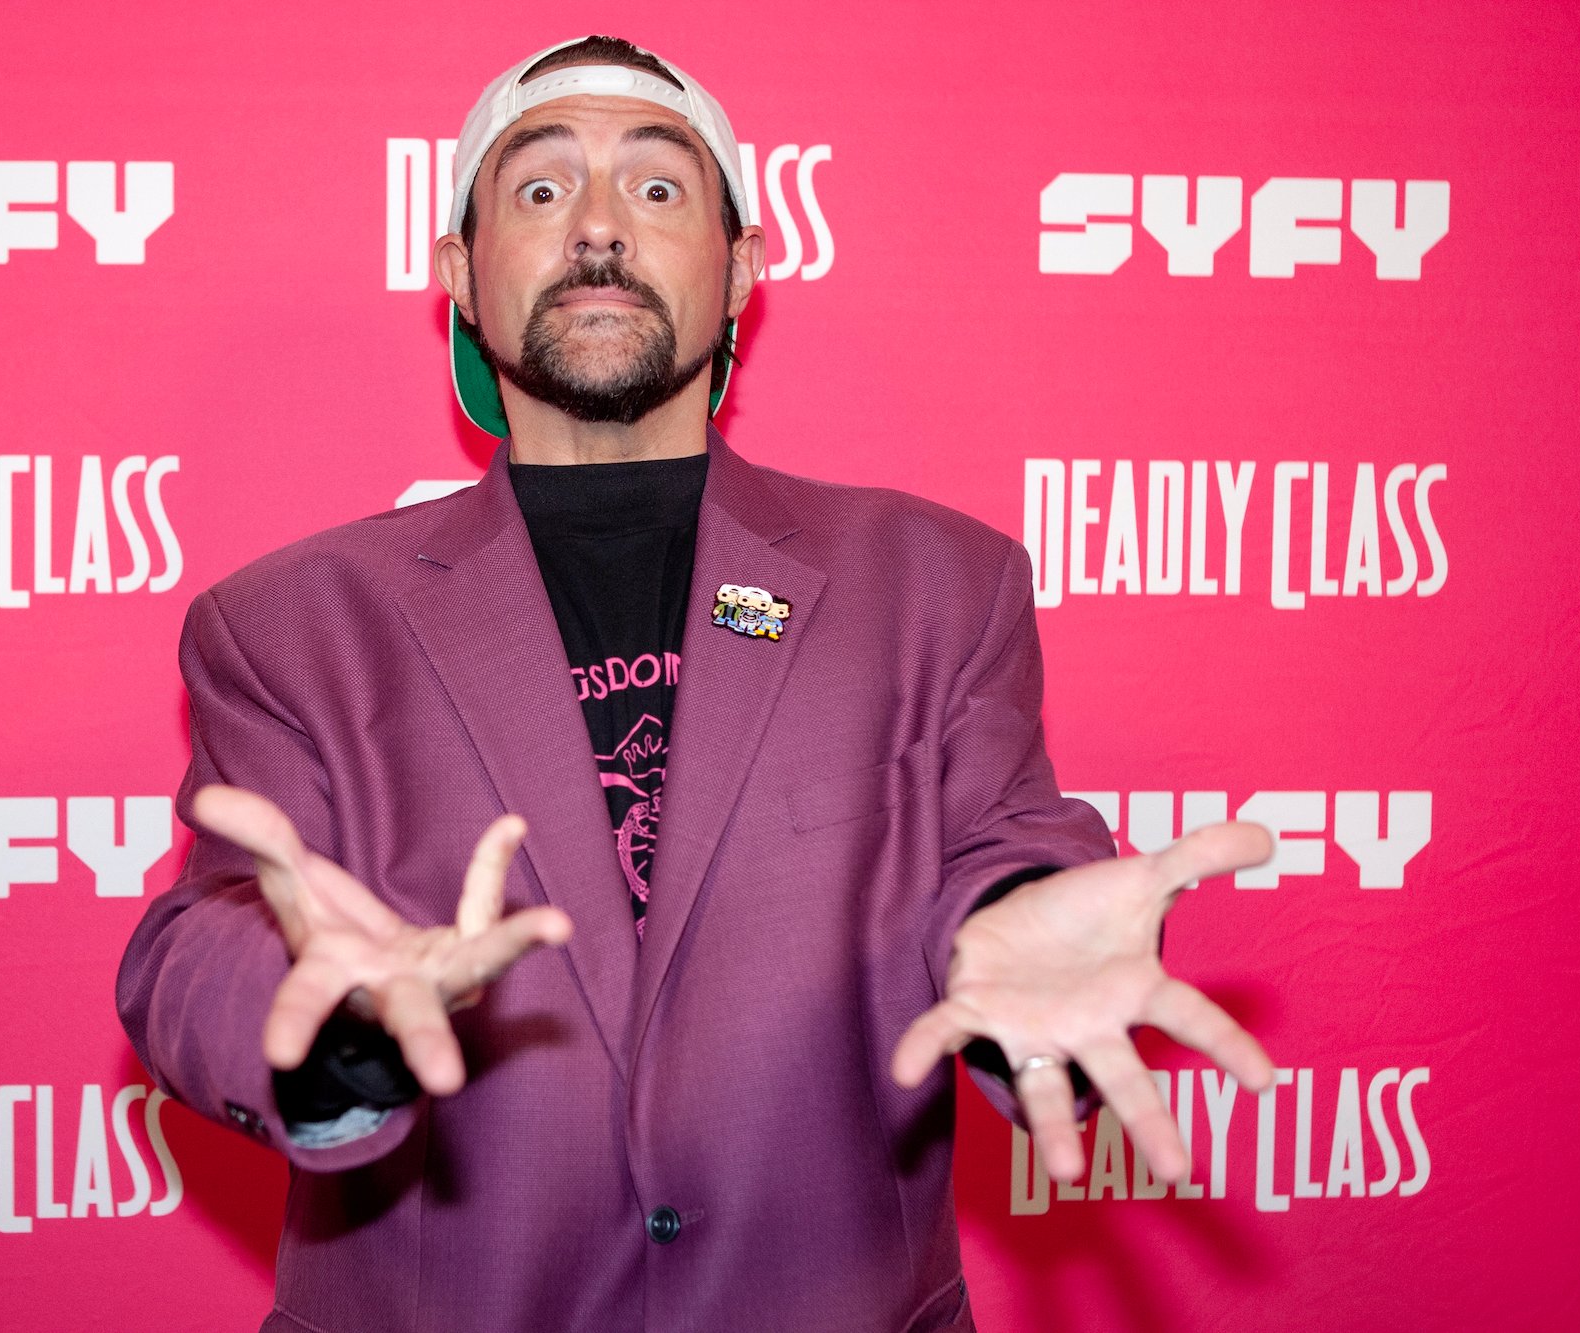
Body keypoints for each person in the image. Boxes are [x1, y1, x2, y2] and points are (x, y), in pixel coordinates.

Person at [116, 34, 1277, 1333]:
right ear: (458, 271)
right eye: (541, 190)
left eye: (659, 188)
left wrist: (1012, 919)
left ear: (742, 269)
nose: (599, 226)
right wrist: (329, 1015)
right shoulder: (288, 619)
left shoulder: (941, 581)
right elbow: (202, 938)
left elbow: (1006, 846)